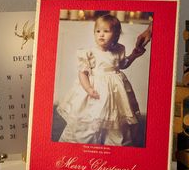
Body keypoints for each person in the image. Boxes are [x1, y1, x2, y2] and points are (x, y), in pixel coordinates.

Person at [57, 14, 151, 146]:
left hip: (114, 92)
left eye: (106, 31)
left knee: (114, 120)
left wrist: (134, 55)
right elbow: (83, 73)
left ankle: (112, 143)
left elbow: (123, 64)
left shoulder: (119, 49)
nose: (101, 35)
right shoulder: (89, 53)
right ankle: (83, 143)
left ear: (116, 35)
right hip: (96, 91)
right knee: (91, 118)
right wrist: (88, 88)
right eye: (98, 31)